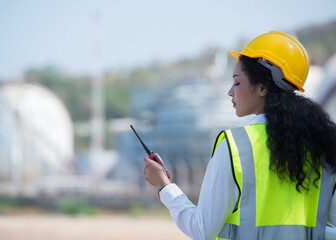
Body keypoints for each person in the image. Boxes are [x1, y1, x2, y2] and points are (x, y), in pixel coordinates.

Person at [142, 30, 336, 240]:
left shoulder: (236, 147)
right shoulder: (324, 146)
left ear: (262, 88)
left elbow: (202, 229)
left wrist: (164, 186)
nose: (230, 92)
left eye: (237, 82)